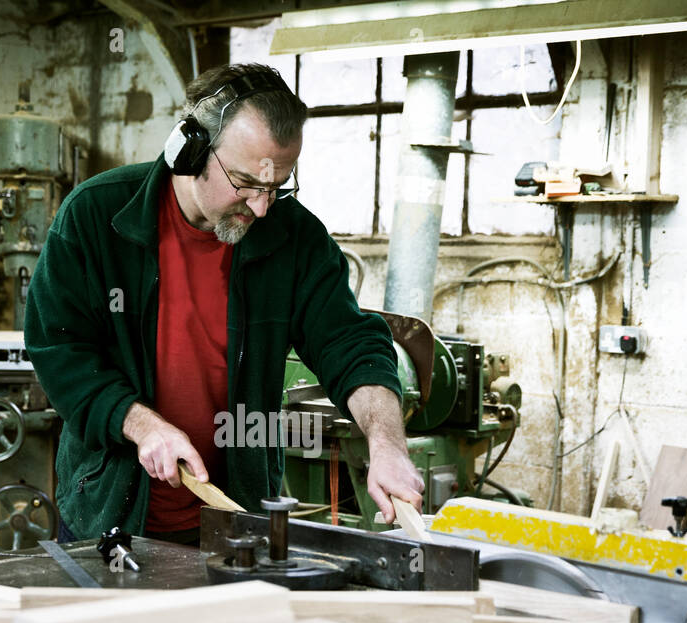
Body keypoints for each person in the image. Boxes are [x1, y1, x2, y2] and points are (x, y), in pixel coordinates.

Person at [24, 62, 424, 545]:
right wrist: (141, 424)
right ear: (190, 149)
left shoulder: (293, 237)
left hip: (237, 521)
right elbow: (60, 351)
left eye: (276, 187)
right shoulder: (94, 217)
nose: (260, 207)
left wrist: (387, 445)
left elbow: (351, 342)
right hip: (109, 513)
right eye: (245, 183)